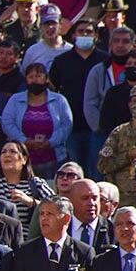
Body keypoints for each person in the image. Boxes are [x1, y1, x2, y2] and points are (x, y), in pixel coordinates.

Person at [49, 17, 107, 169]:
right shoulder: (61, 61)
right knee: (74, 170)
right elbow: (52, 90)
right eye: (80, 31)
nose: (84, 35)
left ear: (96, 36)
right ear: (73, 35)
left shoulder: (105, 60)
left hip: (98, 127)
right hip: (71, 127)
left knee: (96, 170)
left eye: (89, 32)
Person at [1, 62, 73, 178]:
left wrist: (50, 142)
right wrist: (24, 141)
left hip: (54, 159)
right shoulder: (15, 99)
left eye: (38, 76)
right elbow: (7, 123)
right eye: (30, 77)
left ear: (46, 79)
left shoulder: (59, 100)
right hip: (22, 159)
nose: (34, 80)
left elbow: (67, 125)